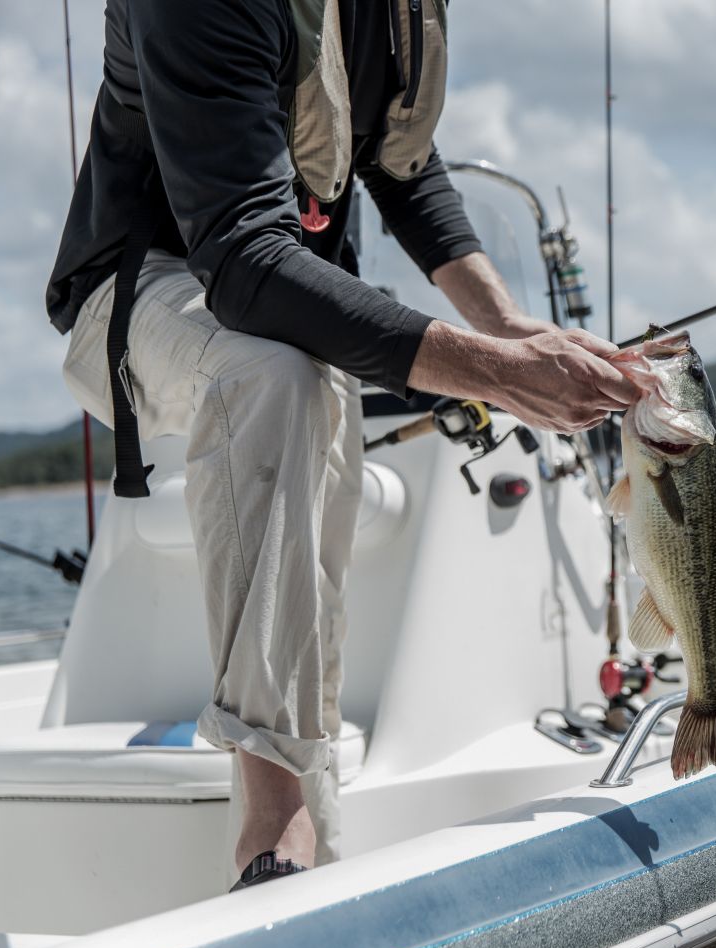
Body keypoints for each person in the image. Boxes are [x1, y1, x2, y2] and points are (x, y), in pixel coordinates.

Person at [45, 0, 637, 891]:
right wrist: (495, 372)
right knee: (277, 378)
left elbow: (402, 165)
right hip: (130, 298)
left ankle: (316, 823)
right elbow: (245, 264)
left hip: (269, 300)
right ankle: (272, 826)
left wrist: (512, 330)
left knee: (308, 385)